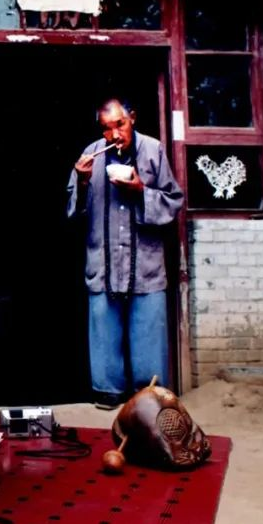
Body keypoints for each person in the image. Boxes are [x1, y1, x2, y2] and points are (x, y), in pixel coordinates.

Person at [66, 99, 184, 410]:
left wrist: (140, 190)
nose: (115, 134)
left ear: (132, 118)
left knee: (148, 332)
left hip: (145, 262)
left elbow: (173, 200)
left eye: (120, 124)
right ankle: (108, 393)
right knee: (104, 329)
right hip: (103, 262)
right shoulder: (91, 155)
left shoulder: (153, 150)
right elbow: (73, 212)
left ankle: (151, 398)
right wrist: (82, 179)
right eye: (107, 128)